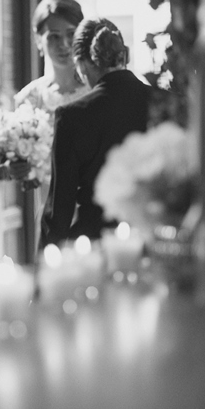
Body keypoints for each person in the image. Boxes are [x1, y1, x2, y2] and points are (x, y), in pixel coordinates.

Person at [40, 18, 151, 246]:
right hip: (154, 236)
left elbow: (59, 211)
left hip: (96, 244)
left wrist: (45, 263)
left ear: (80, 64)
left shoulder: (72, 116)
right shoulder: (164, 101)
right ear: (124, 56)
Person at [14, 0, 89, 248]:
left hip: (92, 202)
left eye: (71, 34)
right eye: (53, 36)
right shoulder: (29, 98)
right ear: (38, 40)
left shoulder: (96, 91)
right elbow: (20, 168)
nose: (64, 44)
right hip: (49, 204)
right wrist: (21, 170)